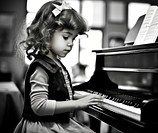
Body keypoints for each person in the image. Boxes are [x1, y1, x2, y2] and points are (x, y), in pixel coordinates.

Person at [13, 1, 103, 133]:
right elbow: (39, 106)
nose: (71, 43)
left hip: (55, 122)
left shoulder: (56, 63)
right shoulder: (41, 67)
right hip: (43, 126)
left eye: (74, 38)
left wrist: (84, 97)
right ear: (47, 34)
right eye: (66, 37)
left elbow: (58, 94)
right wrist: (78, 104)